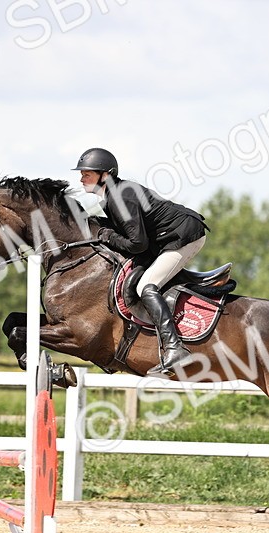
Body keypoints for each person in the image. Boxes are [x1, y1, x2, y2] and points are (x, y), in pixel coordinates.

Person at [74, 147, 208, 377]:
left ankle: (175, 349)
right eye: (82, 173)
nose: (81, 178)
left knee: (145, 286)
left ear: (105, 175)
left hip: (184, 235)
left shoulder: (120, 197)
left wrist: (107, 235)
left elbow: (138, 245)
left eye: (87, 173)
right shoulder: (112, 197)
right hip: (167, 239)